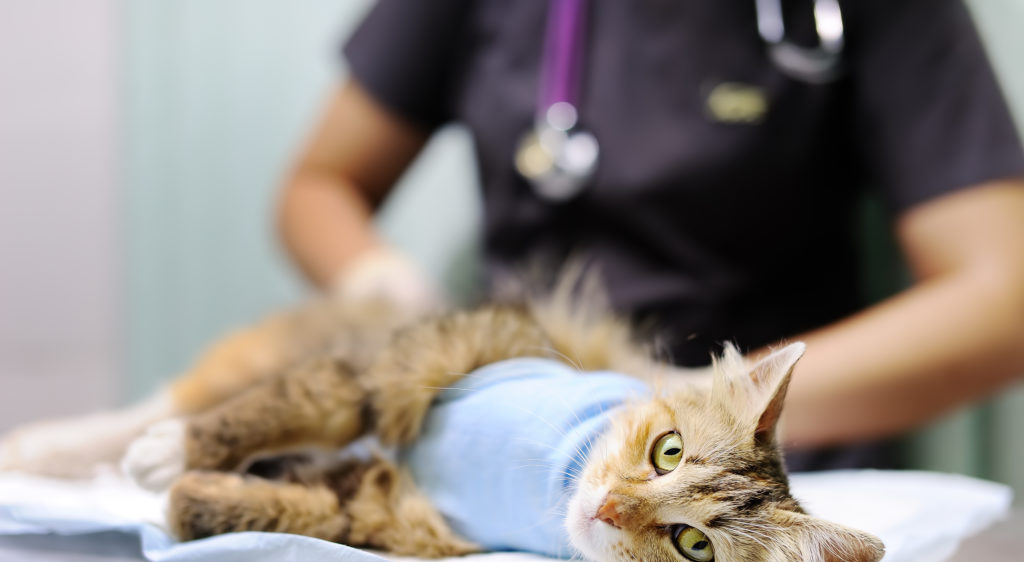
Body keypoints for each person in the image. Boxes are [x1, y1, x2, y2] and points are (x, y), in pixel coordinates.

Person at [276, 0, 1024, 470]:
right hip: (521, 427)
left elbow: (1004, 298)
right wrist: (390, 292)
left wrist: (705, 403)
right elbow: (319, 185)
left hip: (769, 463)